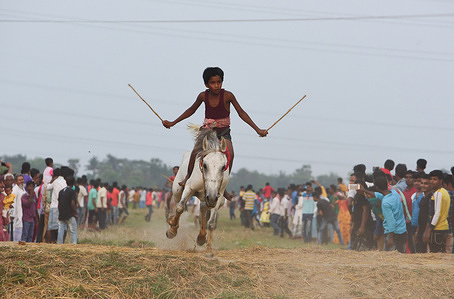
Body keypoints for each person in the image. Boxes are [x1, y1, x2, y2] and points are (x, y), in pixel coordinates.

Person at [162, 67, 268, 200]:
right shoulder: (203, 96)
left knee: (231, 152)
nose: (217, 85)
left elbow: (241, 113)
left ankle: (223, 186)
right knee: (196, 151)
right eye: (213, 83)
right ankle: (188, 177)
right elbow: (191, 110)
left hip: (224, 132)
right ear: (206, 84)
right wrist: (173, 122)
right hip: (208, 132)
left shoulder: (228, 96)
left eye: (219, 82)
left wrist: (257, 129)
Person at [423, 170, 451, 253]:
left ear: (441, 181)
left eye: (435, 179)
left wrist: (429, 229)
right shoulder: (445, 192)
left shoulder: (438, 193)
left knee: (435, 254)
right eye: (431, 179)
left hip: (438, 228)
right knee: (441, 253)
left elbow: (437, 213)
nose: (432, 182)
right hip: (445, 227)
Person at [57, 176, 78, 244]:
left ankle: (59, 243)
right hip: (69, 214)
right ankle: (73, 243)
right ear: (73, 183)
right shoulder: (72, 192)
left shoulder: (61, 191)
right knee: (73, 230)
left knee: (61, 229)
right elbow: (72, 203)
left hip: (61, 213)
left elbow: (59, 204)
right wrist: (75, 213)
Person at [415, 174, 432, 253]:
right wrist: (417, 231)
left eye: (426, 183)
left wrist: (427, 231)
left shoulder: (432, 198)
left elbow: (430, 216)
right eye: (422, 183)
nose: (423, 185)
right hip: (421, 229)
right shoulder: (422, 198)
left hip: (428, 230)